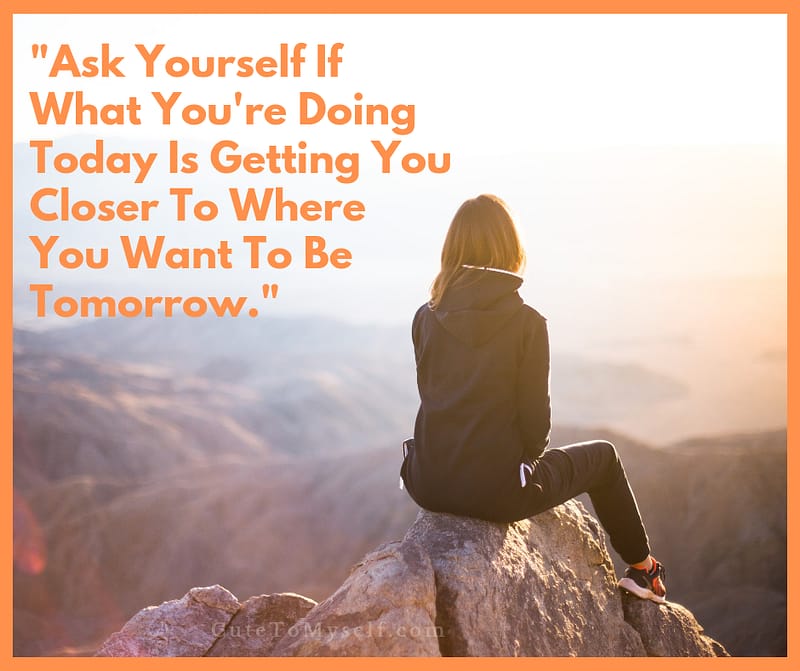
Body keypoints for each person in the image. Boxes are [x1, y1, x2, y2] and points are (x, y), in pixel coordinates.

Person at [399, 194, 666, 603]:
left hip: (427, 482)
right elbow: (536, 430)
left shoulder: (425, 315)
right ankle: (643, 570)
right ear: (510, 247)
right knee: (605, 458)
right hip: (497, 494)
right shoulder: (527, 324)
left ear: (452, 248)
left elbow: (434, 397)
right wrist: (517, 466)